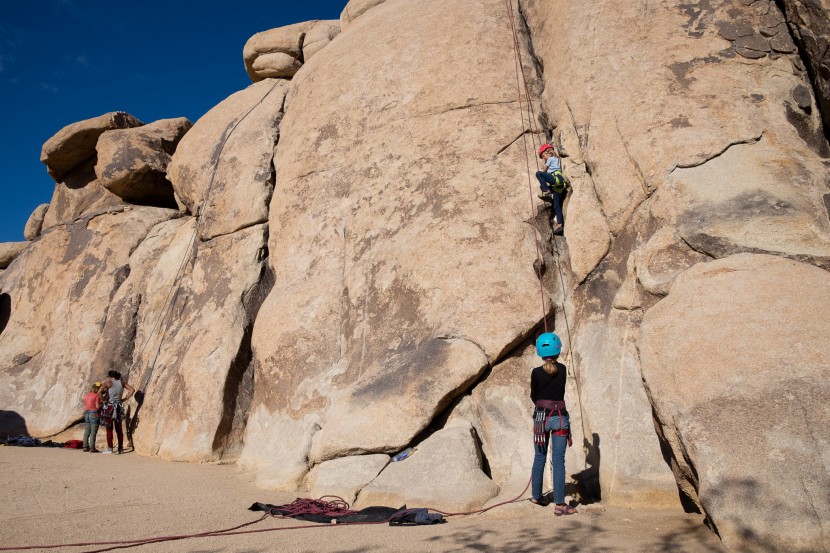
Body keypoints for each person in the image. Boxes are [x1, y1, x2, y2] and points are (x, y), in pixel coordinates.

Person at [529, 332, 577, 516]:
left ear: (540, 352)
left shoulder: (535, 372)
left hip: (541, 418)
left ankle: (536, 496)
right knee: (558, 461)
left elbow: (534, 395)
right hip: (559, 418)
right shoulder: (563, 369)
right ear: (558, 351)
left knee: (539, 457)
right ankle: (559, 504)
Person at [98, 370, 135, 455]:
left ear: (111, 376)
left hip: (109, 407)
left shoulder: (107, 383)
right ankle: (120, 448)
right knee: (119, 429)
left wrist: (103, 400)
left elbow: (99, 392)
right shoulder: (122, 382)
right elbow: (132, 390)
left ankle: (110, 448)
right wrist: (125, 399)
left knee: (109, 429)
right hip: (118, 407)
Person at [535, 144, 566, 234]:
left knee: (538, 173)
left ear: (547, 153)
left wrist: (544, 172)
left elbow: (544, 171)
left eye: (543, 156)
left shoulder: (550, 159)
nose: (544, 158)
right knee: (556, 205)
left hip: (555, 179)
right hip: (558, 185)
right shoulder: (556, 159)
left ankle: (546, 190)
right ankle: (560, 225)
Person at [81, 382, 102, 453]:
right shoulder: (97, 396)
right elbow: (97, 406)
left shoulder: (87, 395)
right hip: (94, 413)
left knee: (87, 431)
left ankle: (85, 447)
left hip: (87, 413)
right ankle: (92, 448)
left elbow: (84, 402)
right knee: (93, 431)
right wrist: (103, 403)